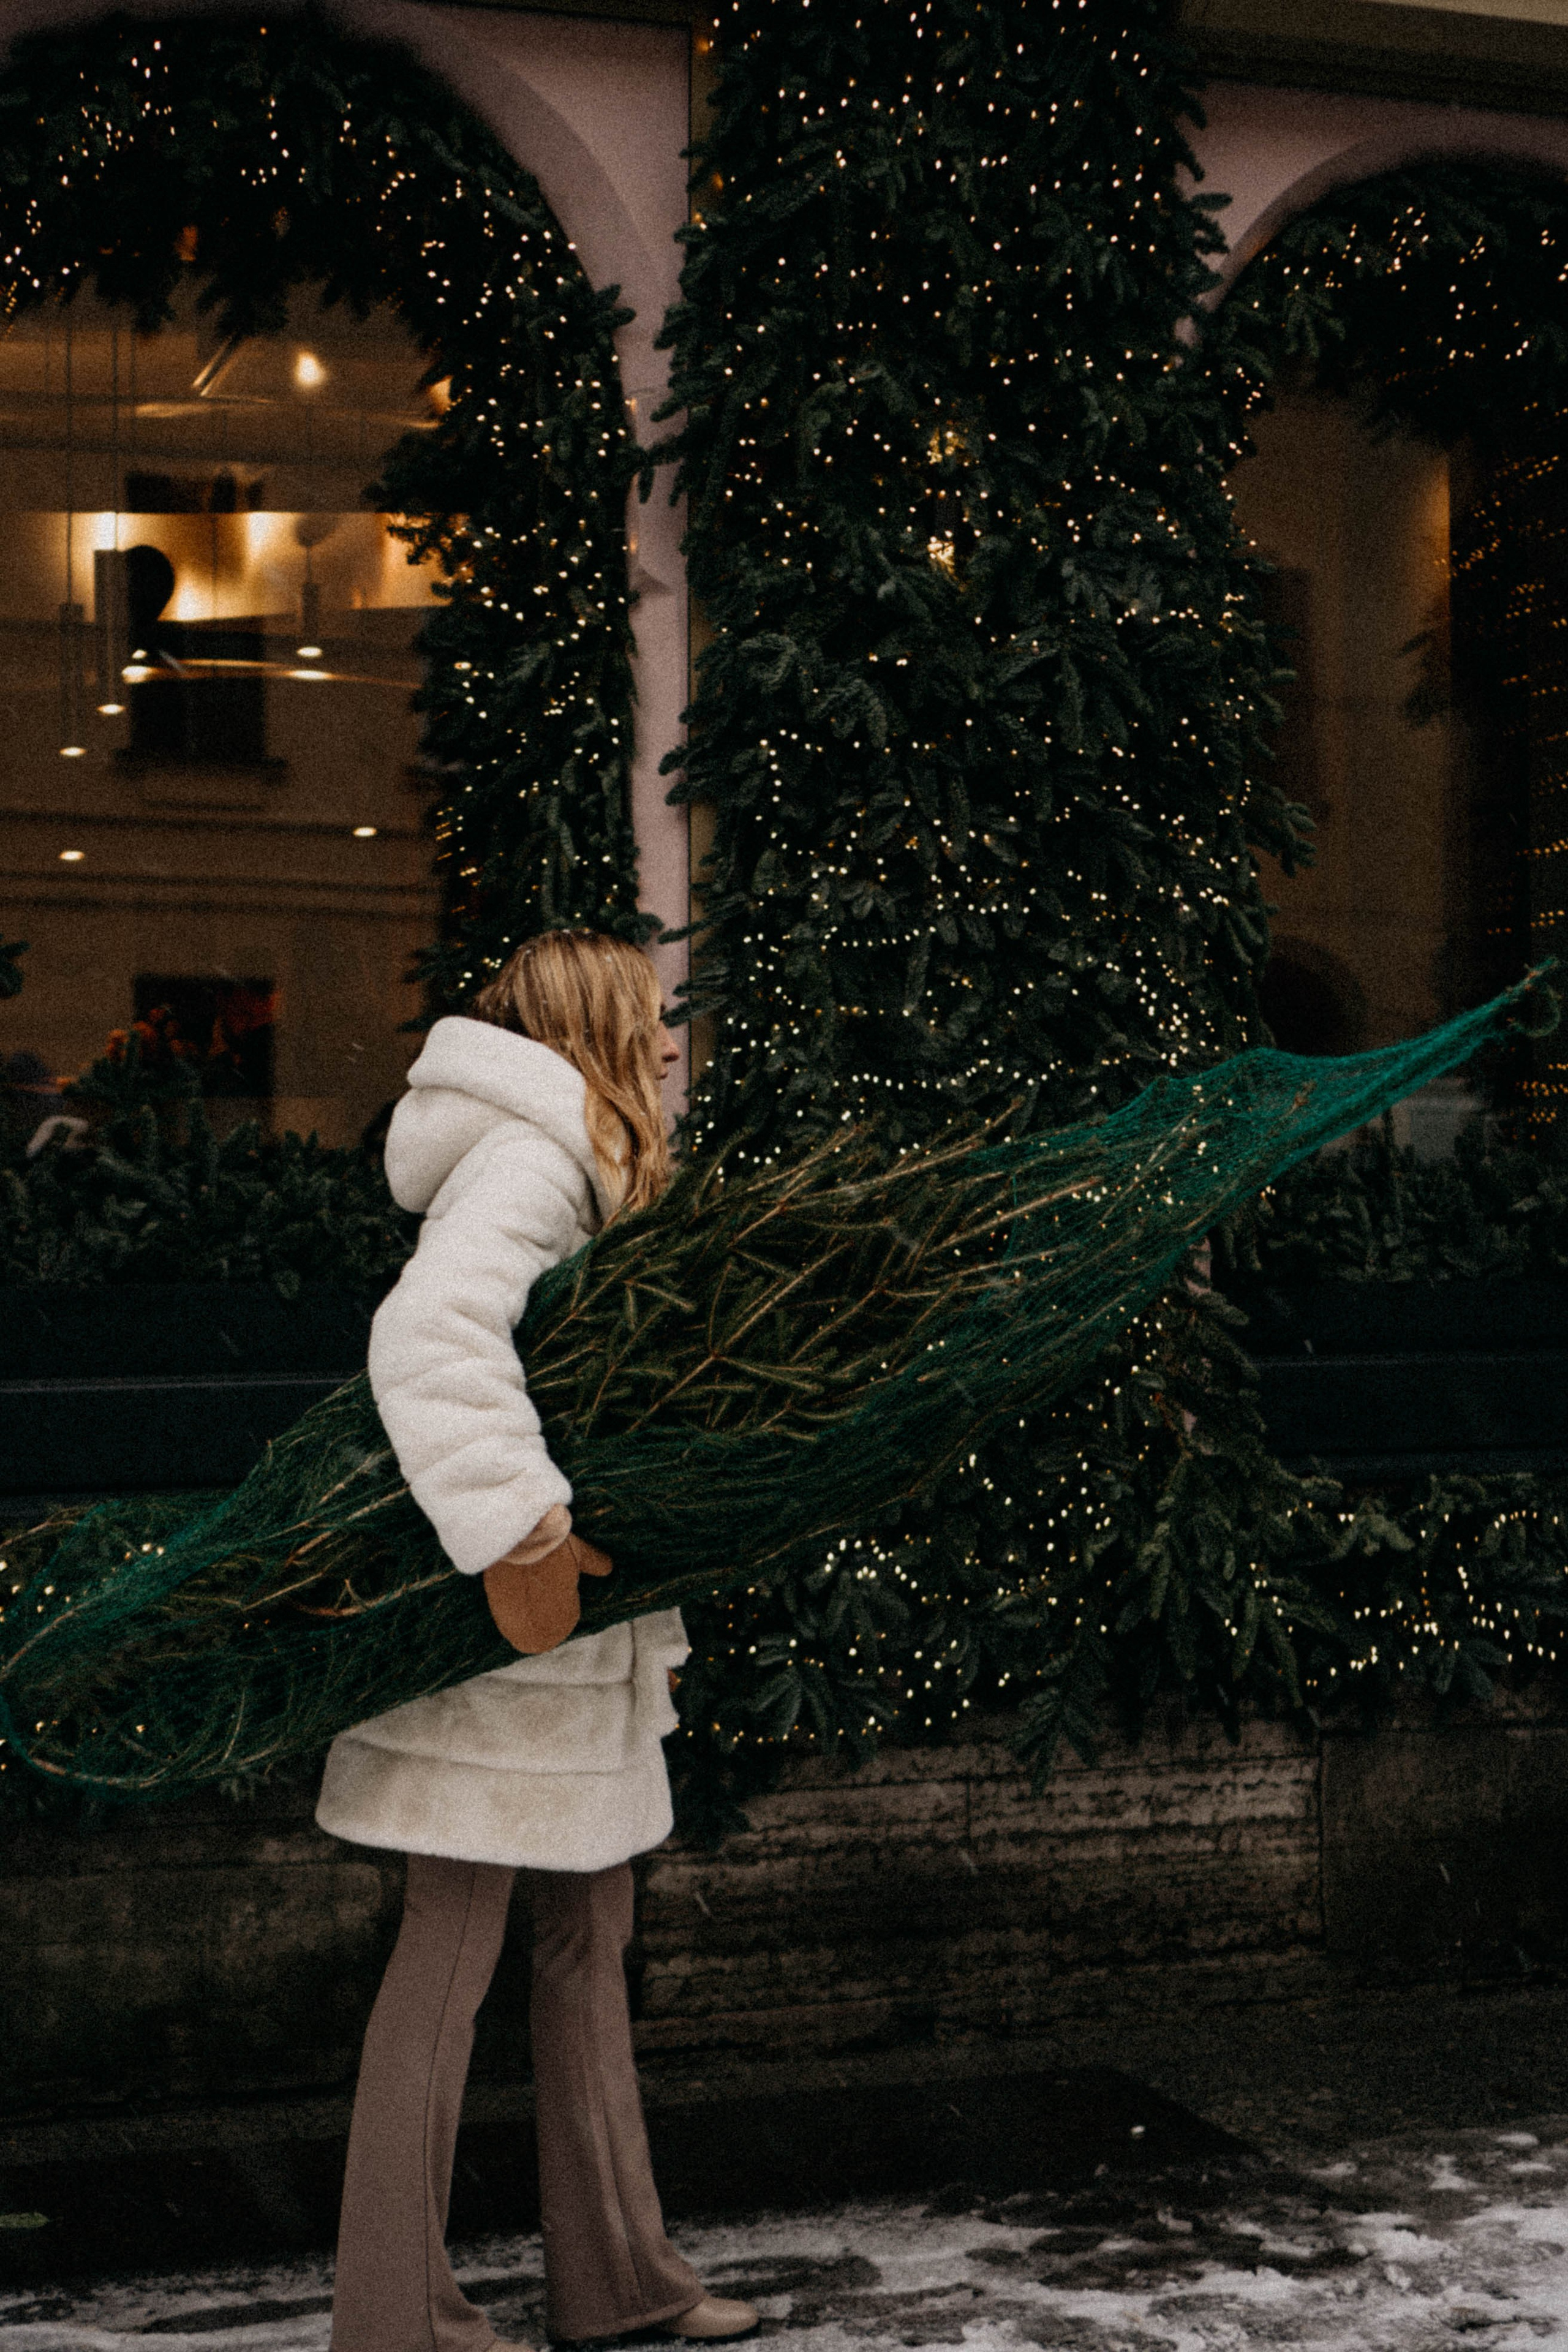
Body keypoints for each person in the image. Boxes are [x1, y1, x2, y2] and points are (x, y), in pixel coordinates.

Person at [317, 929, 758, 2352]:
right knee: (453, 1954)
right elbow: (430, 1334)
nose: (671, 1042)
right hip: (504, 1645)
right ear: (588, 1027)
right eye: (648, 1015)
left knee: (584, 1940)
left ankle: (617, 2278)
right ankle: (396, 2317)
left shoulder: (575, 1158)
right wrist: (521, 1530)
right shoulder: (531, 1156)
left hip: (563, 1657)